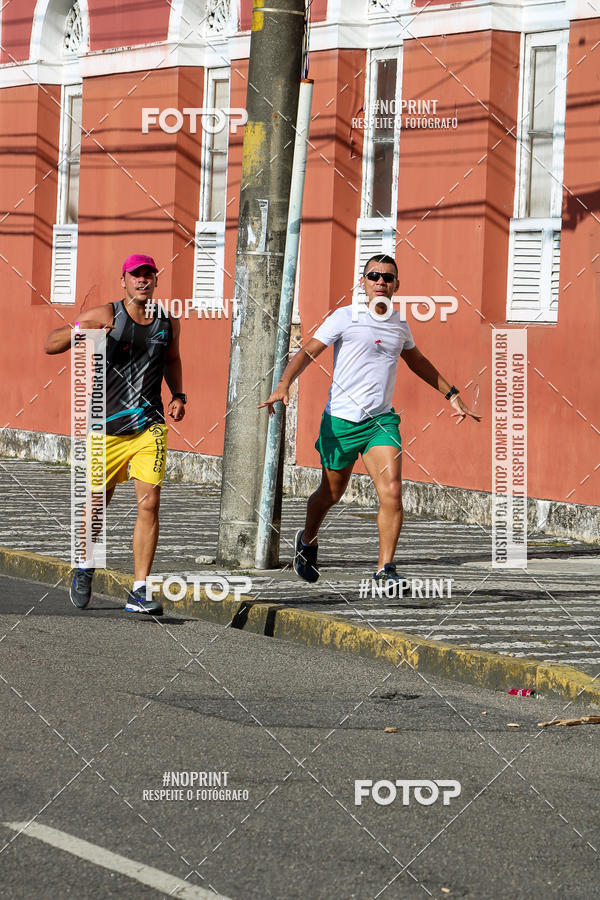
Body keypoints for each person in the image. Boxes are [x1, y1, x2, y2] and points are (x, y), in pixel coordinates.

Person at [260, 254, 481, 587]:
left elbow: (417, 361)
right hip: (341, 423)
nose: (381, 282)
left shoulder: (399, 324)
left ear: (396, 286)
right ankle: (307, 540)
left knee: (392, 491)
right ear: (362, 283)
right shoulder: (345, 318)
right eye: (374, 276)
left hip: (380, 423)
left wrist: (452, 395)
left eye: (388, 278)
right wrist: (283, 384)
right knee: (331, 494)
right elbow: (307, 352)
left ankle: (385, 570)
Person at [44, 253, 186, 615]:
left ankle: (139, 590)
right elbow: (50, 343)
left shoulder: (168, 322)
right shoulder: (106, 314)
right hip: (105, 428)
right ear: (123, 280)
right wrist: (83, 332)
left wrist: (178, 395)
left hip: (148, 426)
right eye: (135, 275)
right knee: (97, 504)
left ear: (156, 281)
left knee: (150, 502)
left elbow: (172, 359)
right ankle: (85, 565)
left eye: (148, 275)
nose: (142, 281)